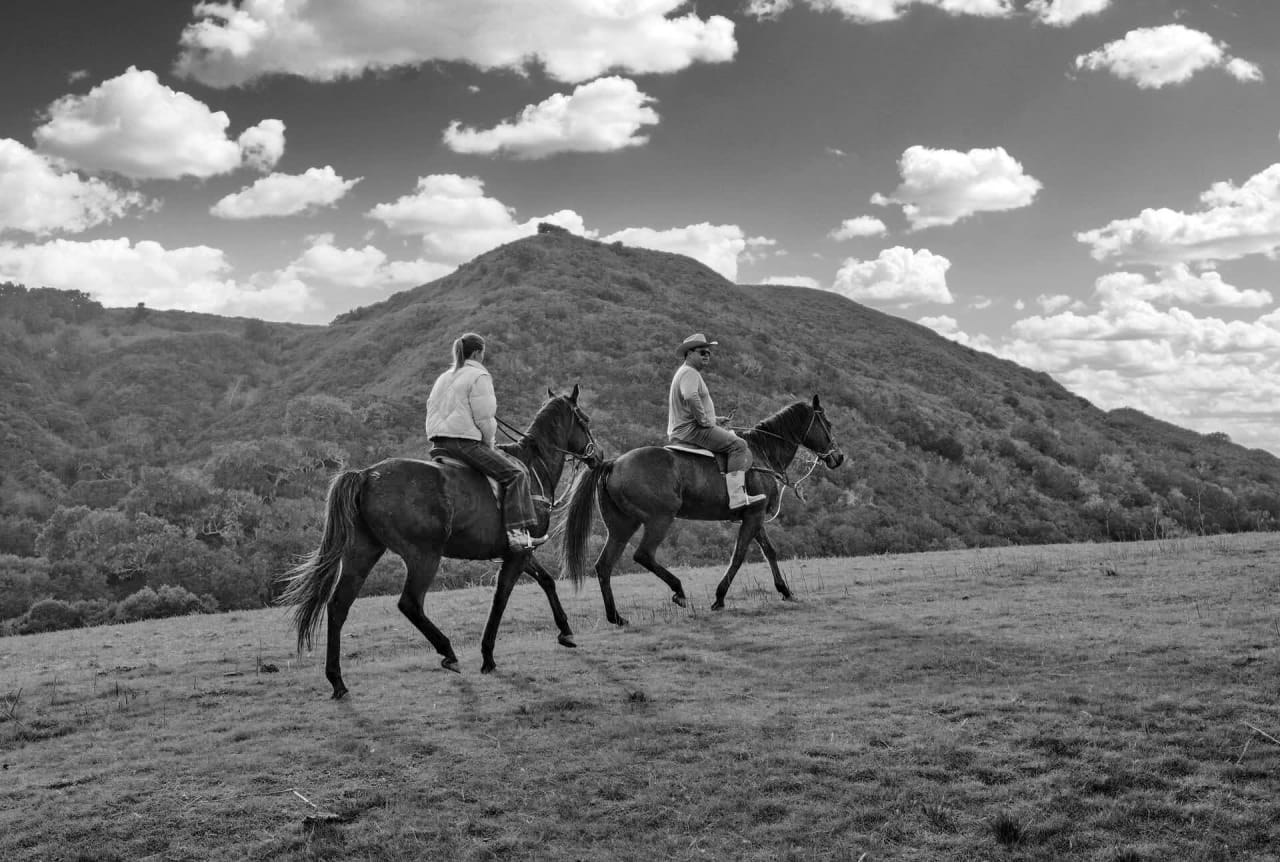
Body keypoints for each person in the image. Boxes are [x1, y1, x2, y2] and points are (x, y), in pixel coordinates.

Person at [425, 333, 544, 553]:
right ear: (479, 353)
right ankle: (517, 537)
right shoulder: (479, 375)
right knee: (516, 474)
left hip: (438, 444)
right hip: (464, 444)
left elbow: (431, 409)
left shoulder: (444, 376)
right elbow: (485, 419)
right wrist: (489, 443)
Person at [668, 333, 767, 510]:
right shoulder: (690, 373)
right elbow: (690, 396)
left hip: (687, 428)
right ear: (689, 353)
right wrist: (705, 421)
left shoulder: (687, 372)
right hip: (692, 430)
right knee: (739, 445)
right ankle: (736, 497)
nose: (706, 355)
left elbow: (689, 403)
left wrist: (715, 419)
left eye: (708, 353)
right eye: (702, 352)